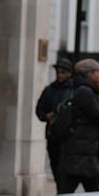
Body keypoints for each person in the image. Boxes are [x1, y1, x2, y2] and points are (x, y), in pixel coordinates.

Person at [56, 58, 99, 195]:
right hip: (80, 156)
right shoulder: (85, 92)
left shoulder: (86, 91)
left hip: (84, 155)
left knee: (85, 193)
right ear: (90, 74)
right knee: (69, 193)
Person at [35, 57, 74, 185]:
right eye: (58, 72)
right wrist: (47, 116)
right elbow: (39, 110)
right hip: (53, 134)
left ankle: (63, 191)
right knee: (55, 165)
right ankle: (60, 189)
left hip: (68, 136)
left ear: (69, 73)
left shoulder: (73, 90)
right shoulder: (49, 90)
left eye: (63, 72)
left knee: (65, 167)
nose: (60, 75)